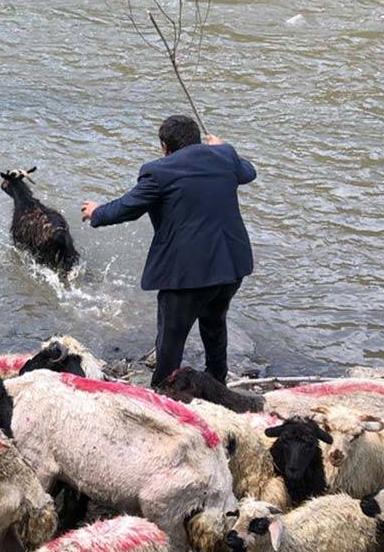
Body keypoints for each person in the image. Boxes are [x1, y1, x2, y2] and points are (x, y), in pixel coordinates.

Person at [81, 115, 256, 387]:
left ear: (165, 146)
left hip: (187, 274)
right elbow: (248, 172)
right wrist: (224, 146)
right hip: (232, 266)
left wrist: (97, 212)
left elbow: (128, 207)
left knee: (171, 339)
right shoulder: (224, 157)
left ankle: (162, 393)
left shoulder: (159, 172)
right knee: (214, 323)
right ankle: (217, 383)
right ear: (198, 139)